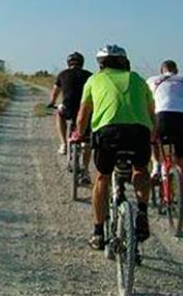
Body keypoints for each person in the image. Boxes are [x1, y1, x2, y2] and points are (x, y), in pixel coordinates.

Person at [71, 44, 156, 250]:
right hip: (139, 132)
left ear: (101, 64)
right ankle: (142, 210)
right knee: (140, 169)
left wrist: (79, 134)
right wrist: (152, 136)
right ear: (124, 61)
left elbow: (83, 114)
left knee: (102, 177)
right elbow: (151, 112)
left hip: (108, 133)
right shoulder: (137, 79)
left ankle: (98, 233)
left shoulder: (94, 80)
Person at [146, 60, 183, 187]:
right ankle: (182, 196)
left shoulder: (152, 80)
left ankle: (156, 165)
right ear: (176, 71)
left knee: (153, 140)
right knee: (182, 158)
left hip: (162, 116)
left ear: (161, 70)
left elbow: (147, 104)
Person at [48, 52, 92, 180]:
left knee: (59, 114)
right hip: (85, 110)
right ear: (82, 63)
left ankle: (63, 144)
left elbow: (55, 92)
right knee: (87, 141)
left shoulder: (63, 74)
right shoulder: (89, 75)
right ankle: (85, 170)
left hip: (69, 109)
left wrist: (51, 103)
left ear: (68, 63)